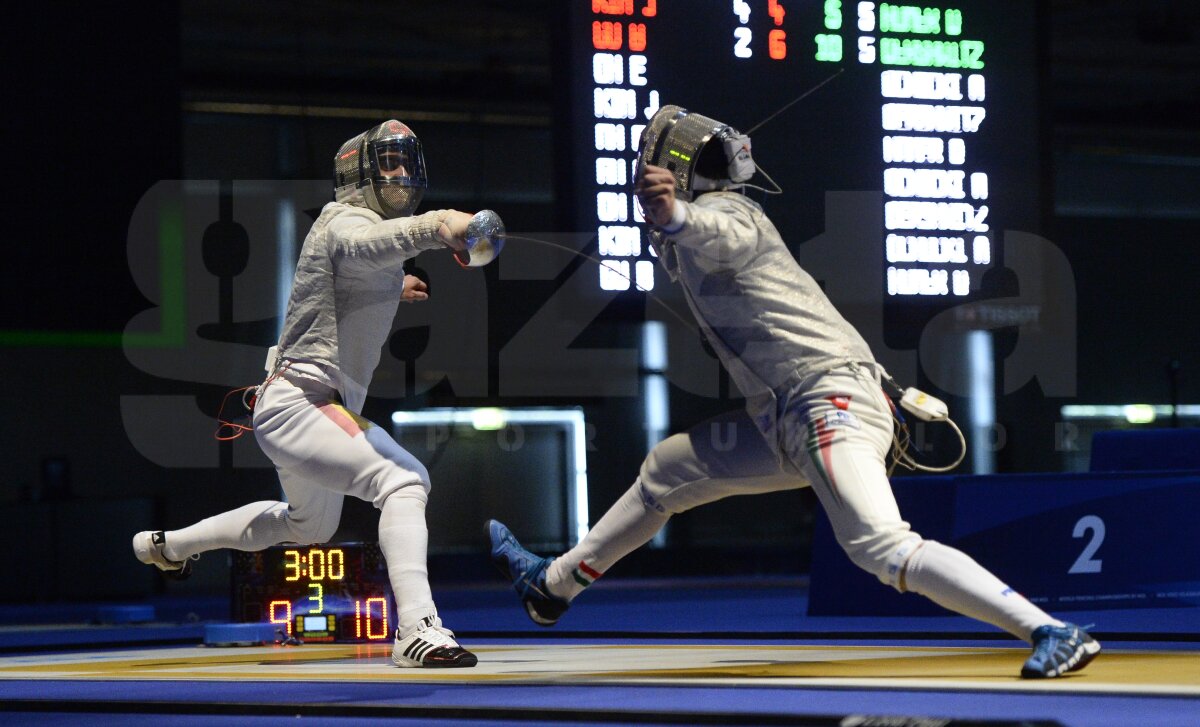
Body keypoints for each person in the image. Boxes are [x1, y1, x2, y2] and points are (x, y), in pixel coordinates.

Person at [489, 106, 1100, 679]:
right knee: (667, 470)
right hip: (786, 416)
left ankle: (1051, 630)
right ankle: (554, 587)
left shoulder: (734, 213)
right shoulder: (704, 229)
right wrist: (671, 223)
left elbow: (714, 230)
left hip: (829, 399)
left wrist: (674, 214)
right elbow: (687, 240)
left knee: (881, 546)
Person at [134, 119, 482, 668]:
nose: (400, 174)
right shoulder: (342, 220)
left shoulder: (367, 239)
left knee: (309, 526)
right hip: (302, 403)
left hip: (300, 406)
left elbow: (364, 267)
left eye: (405, 163)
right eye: (388, 163)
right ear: (358, 173)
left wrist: (396, 285)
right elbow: (366, 245)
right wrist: (440, 224)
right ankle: (417, 628)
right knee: (405, 479)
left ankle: (169, 546)